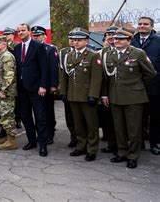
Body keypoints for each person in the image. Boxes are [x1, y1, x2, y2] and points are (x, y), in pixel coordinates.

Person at [102, 28, 157, 168]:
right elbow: (105, 77)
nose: (117, 41)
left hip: (134, 97)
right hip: (115, 96)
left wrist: (138, 86)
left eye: (121, 39)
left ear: (129, 41)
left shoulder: (138, 53)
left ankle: (133, 155)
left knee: (133, 129)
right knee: (119, 128)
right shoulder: (109, 54)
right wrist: (105, 94)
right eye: (116, 39)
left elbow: (150, 73)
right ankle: (122, 153)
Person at [59, 29, 102, 161]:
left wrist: (93, 95)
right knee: (78, 124)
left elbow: (97, 78)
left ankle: (92, 149)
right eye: (75, 40)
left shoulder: (93, 55)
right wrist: (64, 93)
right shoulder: (69, 55)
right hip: (73, 95)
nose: (76, 42)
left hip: (87, 96)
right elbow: (64, 76)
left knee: (91, 124)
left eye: (79, 40)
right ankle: (81, 146)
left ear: (86, 41)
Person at [13, 23, 49, 156]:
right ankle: (31, 141)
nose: (20, 32)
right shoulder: (16, 48)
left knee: (40, 117)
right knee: (25, 116)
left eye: (23, 30)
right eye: (19, 31)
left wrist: (43, 85)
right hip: (22, 89)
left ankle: (43, 145)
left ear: (29, 32)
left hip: (36, 88)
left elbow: (44, 67)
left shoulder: (38, 46)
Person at [131, 16, 160, 155]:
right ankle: (140, 142)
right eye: (140, 23)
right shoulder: (132, 41)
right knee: (138, 117)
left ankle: (154, 143)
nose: (142, 26)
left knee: (155, 117)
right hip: (135, 87)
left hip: (154, 86)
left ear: (151, 26)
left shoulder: (158, 41)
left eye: (145, 24)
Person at [31, 26, 59, 145]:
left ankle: (50, 134)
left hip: (46, 86)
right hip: (35, 86)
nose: (36, 37)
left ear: (45, 37)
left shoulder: (50, 49)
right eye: (34, 36)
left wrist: (53, 85)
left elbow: (53, 68)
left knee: (48, 111)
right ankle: (41, 133)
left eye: (38, 35)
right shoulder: (31, 49)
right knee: (38, 112)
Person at [0, 35, 18, 150]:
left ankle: (12, 141)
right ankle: (8, 137)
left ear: (4, 45)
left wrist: (3, 90)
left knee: (7, 116)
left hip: (5, 93)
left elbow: (9, 76)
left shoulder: (7, 56)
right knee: (3, 116)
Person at [98, 25, 119, 154]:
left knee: (125, 122)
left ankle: (125, 146)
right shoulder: (101, 53)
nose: (111, 37)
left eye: (114, 34)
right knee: (110, 121)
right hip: (107, 93)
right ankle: (112, 145)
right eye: (109, 35)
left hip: (126, 93)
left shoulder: (132, 51)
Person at [58, 30, 77, 148]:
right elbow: (61, 71)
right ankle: (73, 137)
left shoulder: (89, 51)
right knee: (69, 116)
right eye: (71, 38)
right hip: (68, 88)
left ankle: (83, 139)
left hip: (81, 90)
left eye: (75, 39)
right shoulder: (63, 52)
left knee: (81, 117)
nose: (73, 41)